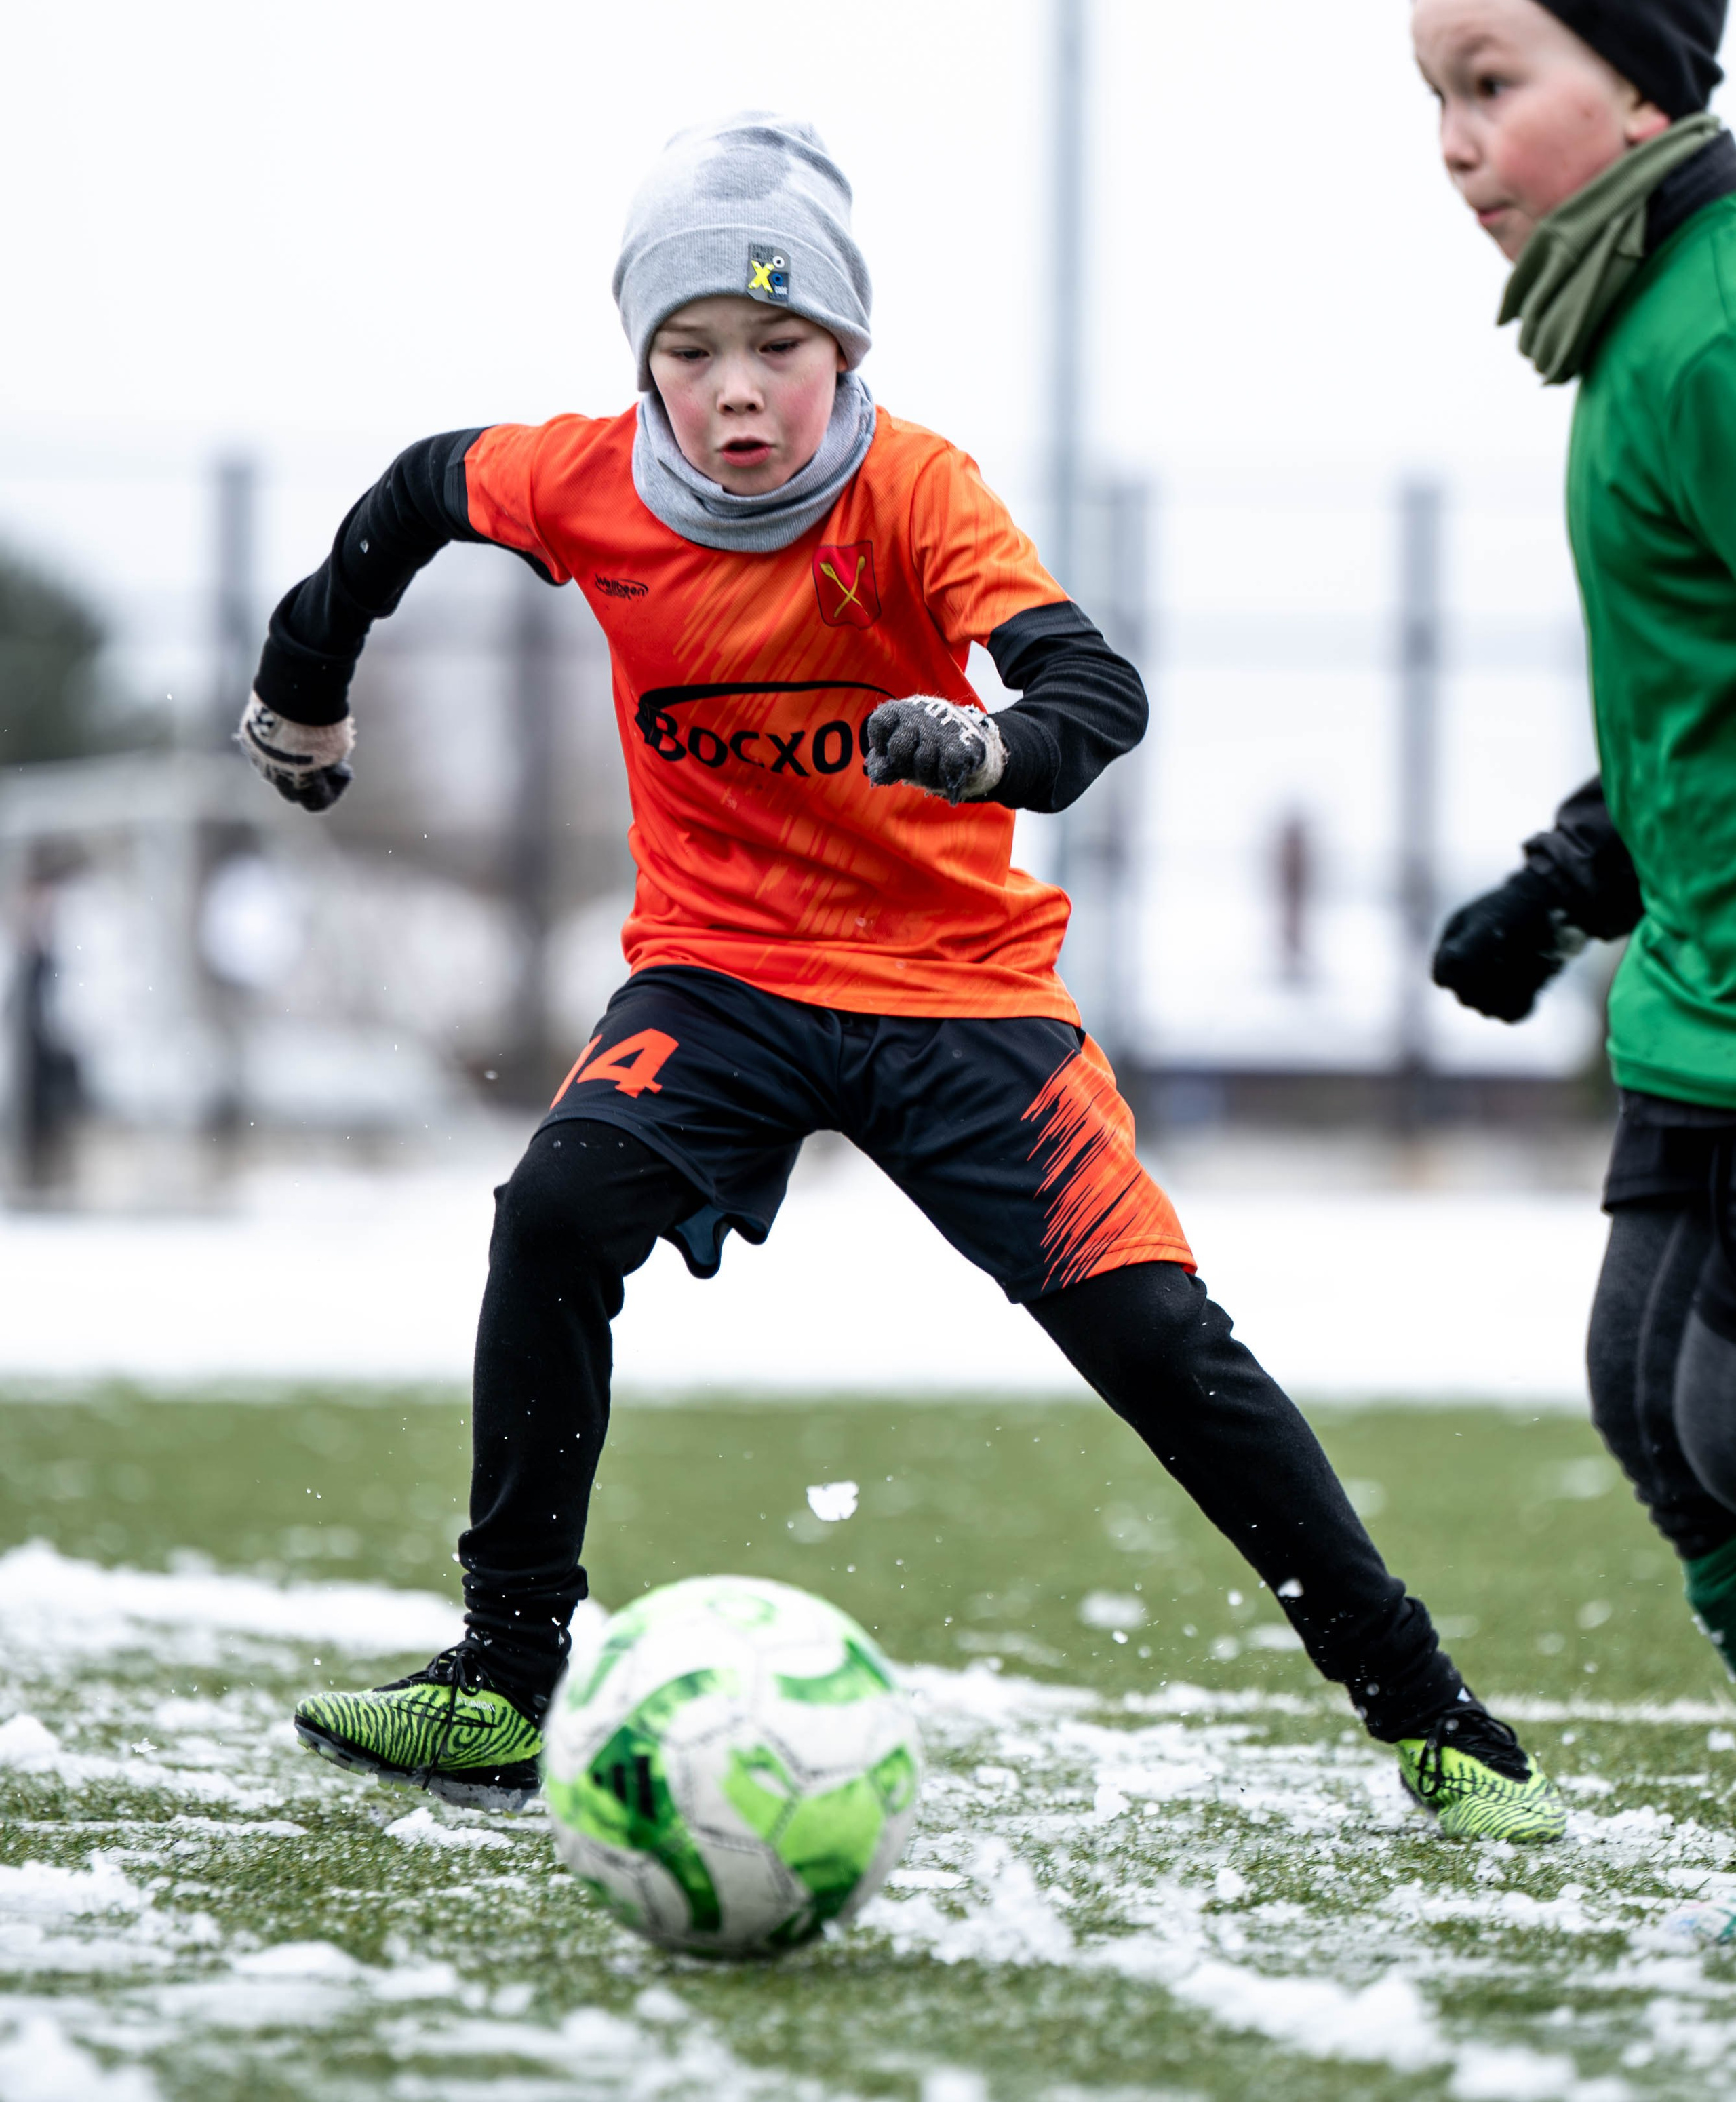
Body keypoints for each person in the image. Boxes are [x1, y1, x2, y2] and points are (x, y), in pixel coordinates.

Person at [240, 111, 1562, 1840]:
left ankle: (1432, 1715)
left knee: (1159, 1335)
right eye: (691, 348)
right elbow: (416, 490)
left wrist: (984, 746)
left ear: (843, 349)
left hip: (958, 997)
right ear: (640, 365)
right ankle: (502, 1675)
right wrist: (302, 677)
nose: (736, 388)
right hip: (716, 979)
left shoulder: (911, 488)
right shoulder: (581, 482)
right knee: (552, 1208)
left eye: (778, 346)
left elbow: (1095, 698)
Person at [1416, 0, 1736, 1683]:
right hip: (1698, 993)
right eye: (1435, 101)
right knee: (1651, 1398)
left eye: (1490, 80)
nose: (1456, 142)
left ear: (1637, 83)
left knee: (1726, 1419)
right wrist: (1572, 879)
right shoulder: (1632, 326)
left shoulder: (1712, 323)